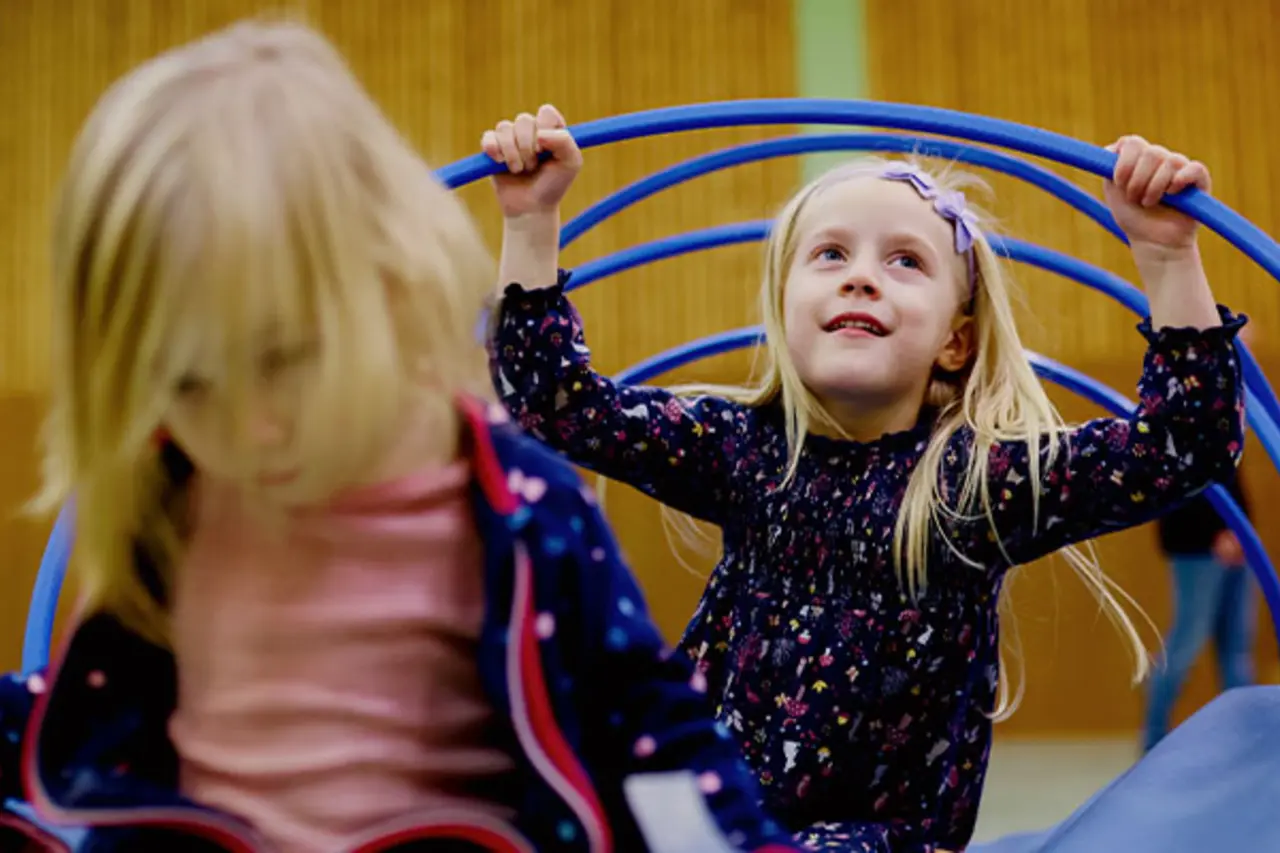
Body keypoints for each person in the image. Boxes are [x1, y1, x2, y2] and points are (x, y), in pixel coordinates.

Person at [0, 22, 807, 853]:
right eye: (190, 386)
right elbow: (88, 707)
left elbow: (647, 732)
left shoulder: (514, 509)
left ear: (390, 283)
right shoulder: (180, 500)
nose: (249, 425)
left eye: (282, 359)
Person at [482, 105, 1247, 853]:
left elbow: (1184, 444)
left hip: (876, 838)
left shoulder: (975, 484)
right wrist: (529, 225)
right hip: (707, 803)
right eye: (830, 255)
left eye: (905, 261)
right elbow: (557, 404)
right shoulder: (741, 450)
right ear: (785, 312)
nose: (861, 280)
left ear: (955, 340)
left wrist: (1167, 256)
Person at [1141, 467, 1255, 752]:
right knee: (1186, 641)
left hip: (1238, 546)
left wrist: (1240, 533)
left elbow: (1231, 480)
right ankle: (1153, 738)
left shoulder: (1226, 431)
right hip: (1197, 549)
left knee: (1237, 649)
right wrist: (1215, 534)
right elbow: (1179, 487)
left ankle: (1248, 740)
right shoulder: (1180, 433)